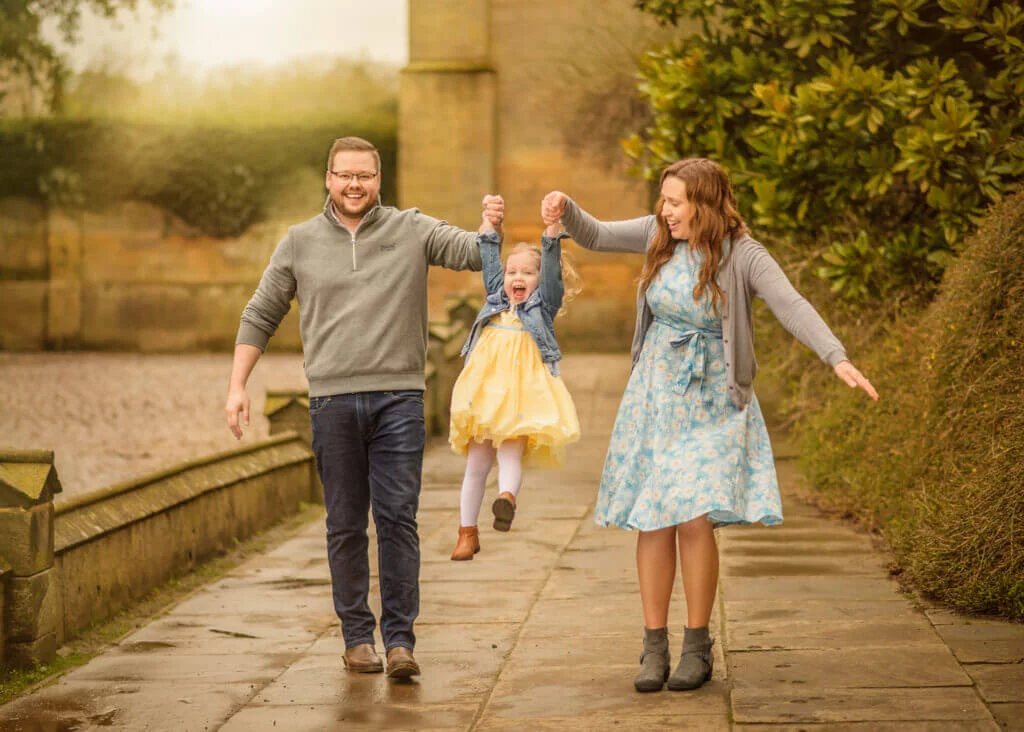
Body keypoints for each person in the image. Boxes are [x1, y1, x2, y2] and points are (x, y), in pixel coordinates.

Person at [541, 158, 878, 693]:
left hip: (713, 397)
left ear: (705, 202)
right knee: (653, 517)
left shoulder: (743, 253)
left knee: (694, 515)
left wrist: (835, 356)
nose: (664, 210)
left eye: (675, 202)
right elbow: (599, 235)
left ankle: (697, 644)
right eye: (663, 200)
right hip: (654, 391)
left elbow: (791, 304)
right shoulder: (659, 236)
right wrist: (566, 208)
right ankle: (654, 645)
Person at [224, 136, 504, 679]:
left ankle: (400, 642)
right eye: (345, 174)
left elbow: (469, 252)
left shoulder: (412, 228)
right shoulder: (299, 242)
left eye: (366, 175)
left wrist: (489, 229)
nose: (355, 184)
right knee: (345, 524)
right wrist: (237, 386)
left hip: (400, 398)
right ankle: (357, 638)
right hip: (330, 402)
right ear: (328, 179)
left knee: (398, 518)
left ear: (379, 180)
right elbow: (260, 313)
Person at [447, 203, 582, 560]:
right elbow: (489, 255)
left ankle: (506, 498)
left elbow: (552, 272)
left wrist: (552, 231)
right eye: (512, 272)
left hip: (522, 395)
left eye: (527, 273)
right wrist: (490, 224)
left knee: (509, 454)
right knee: (476, 463)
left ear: (539, 280)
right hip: (485, 392)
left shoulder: (544, 305)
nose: (516, 278)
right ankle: (466, 532)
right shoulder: (495, 297)